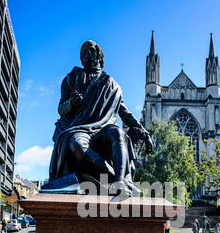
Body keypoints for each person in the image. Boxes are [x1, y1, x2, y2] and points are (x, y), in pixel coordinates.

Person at [48, 40, 153, 197]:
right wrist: (72, 103)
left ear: (100, 57)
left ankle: (120, 182)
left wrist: (144, 132)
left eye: (91, 51)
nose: (87, 54)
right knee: (77, 144)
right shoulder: (71, 79)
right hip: (80, 127)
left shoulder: (111, 84)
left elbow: (125, 112)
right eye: (84, 52)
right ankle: (115, 176)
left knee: (118, 134)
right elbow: (61, 109)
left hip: (104, 128)